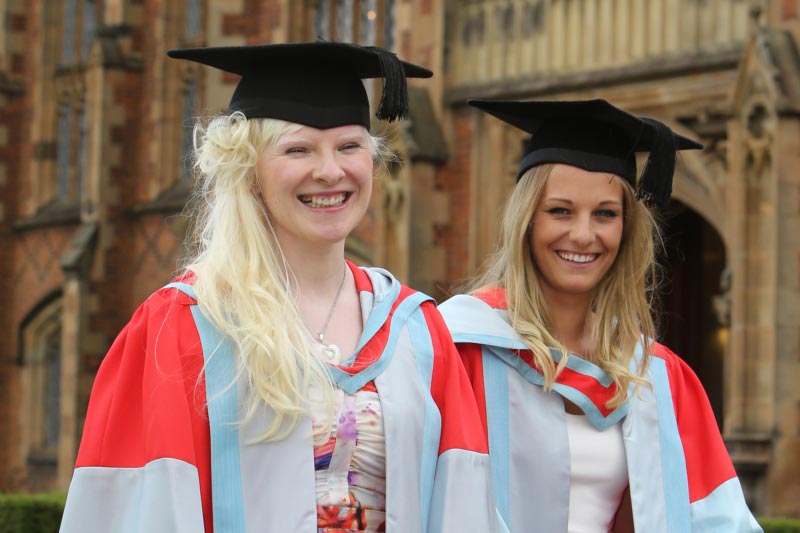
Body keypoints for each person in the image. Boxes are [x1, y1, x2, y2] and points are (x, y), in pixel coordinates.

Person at [60, 42, 497, 533]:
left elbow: (463, 501)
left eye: (349, 146)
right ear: (249, 173)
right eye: (298, 150)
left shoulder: (417, 328)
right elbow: (142, 505)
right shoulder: (189, 323)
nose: (331, 171)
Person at [439, 99, 762, 532]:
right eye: (560, 211)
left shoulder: (658, 378)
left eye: (605, 214)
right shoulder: (459, 347)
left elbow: (721, 519)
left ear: (626, 229)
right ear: (526, 221)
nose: (583, 234)